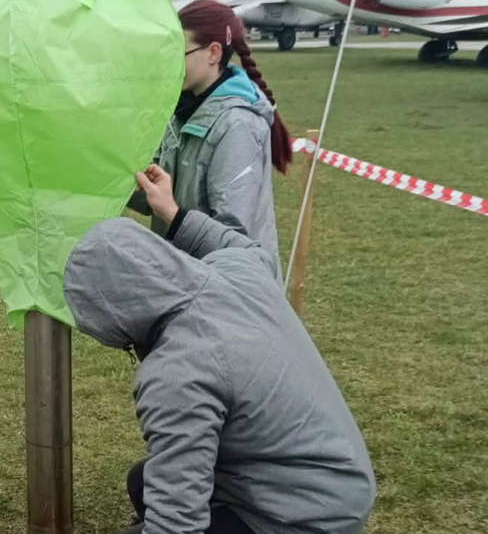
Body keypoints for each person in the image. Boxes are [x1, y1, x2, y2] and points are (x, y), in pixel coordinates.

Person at [66, 164, 376, 534]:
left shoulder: (177, 372)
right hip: (336, 478)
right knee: (143, 482)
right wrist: (173, 213)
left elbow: (176, 526)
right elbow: (245, 247)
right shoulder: (238, 271)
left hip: (306, 516)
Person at [130, 0, 292, 278]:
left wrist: (172, 214)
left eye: (177, 54)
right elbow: (156, 194)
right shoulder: (181, 110)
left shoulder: (238, 125)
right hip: (183, 282)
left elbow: (234, 240)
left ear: (213, 53)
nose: (169, 64)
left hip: (230, 293)